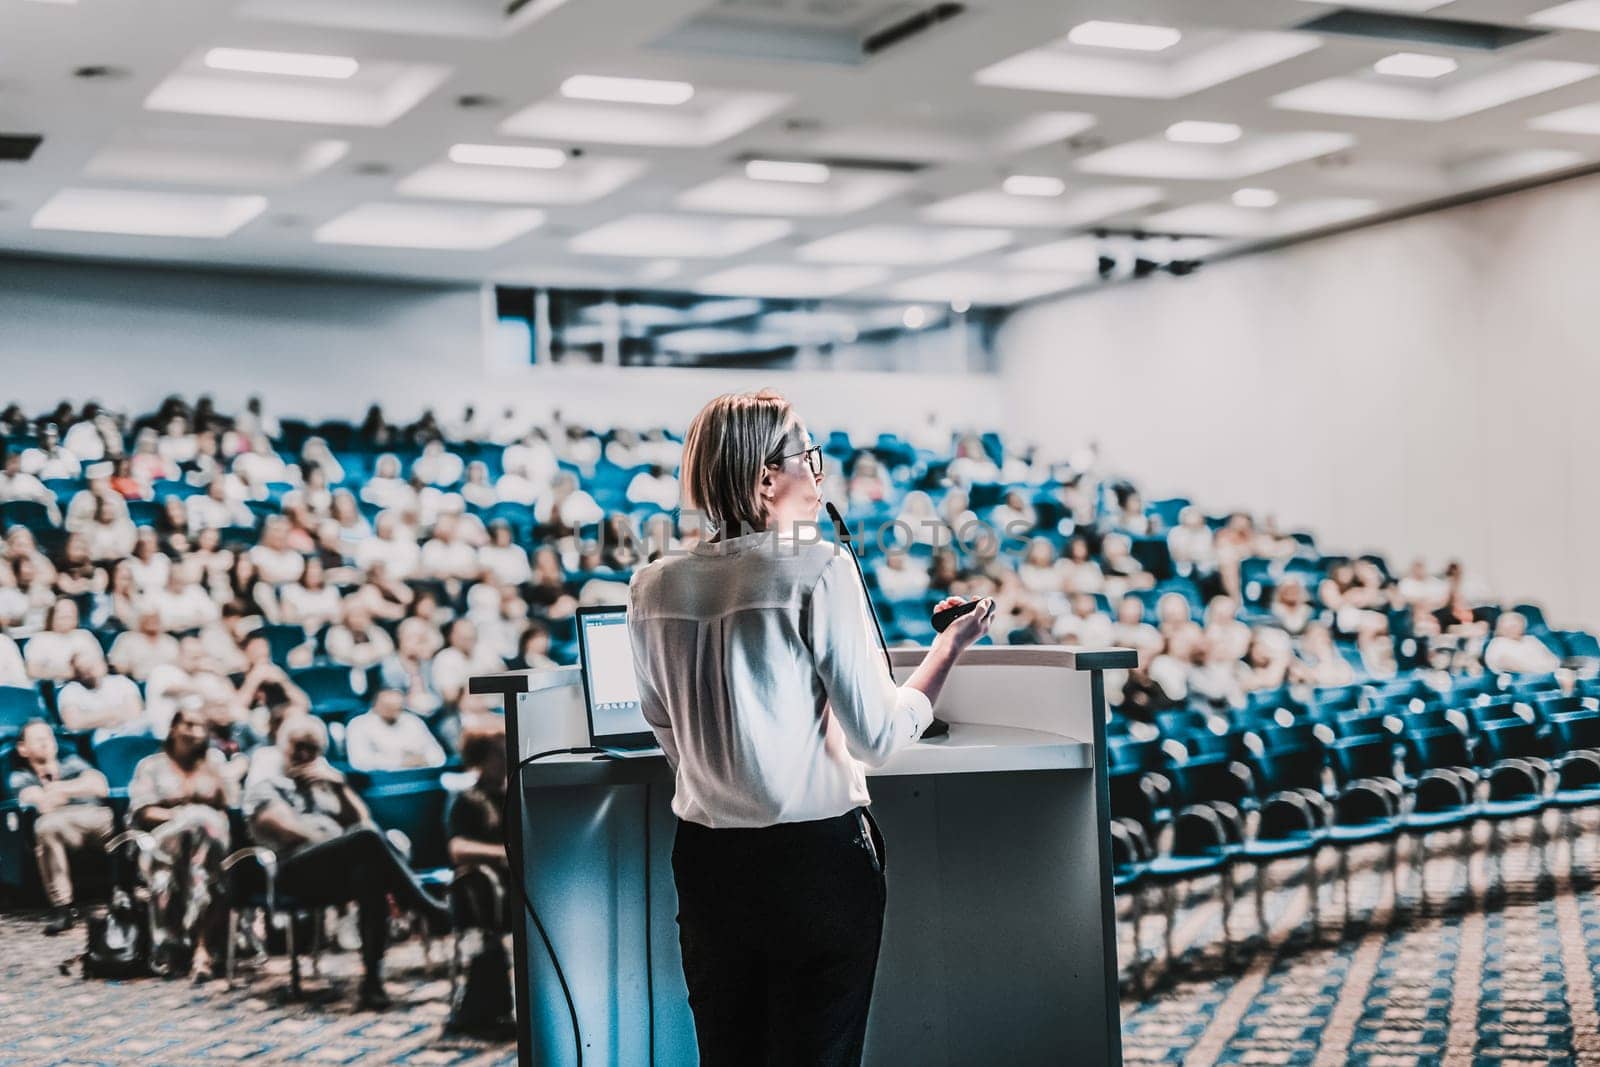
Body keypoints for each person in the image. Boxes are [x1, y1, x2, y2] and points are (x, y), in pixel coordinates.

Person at [627, 390, 993, 1067]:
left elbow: (666, 729)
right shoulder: (820, 566)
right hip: (814, 865)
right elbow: (879, 738)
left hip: (707, 863)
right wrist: (949, 649)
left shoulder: (652, 585)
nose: (820, 473)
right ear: (767, 476)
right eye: (808, 455)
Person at [243, 715, 450, 1011]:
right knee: (364, 842)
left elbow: (365, 823)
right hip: (293, 872)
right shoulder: (267, 785)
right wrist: (342, 843)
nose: (304, 755)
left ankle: (372, 982)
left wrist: (339, 787)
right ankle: (426, 908)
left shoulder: (326, 784)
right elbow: (289, 830)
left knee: (370, 874)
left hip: (336, 873)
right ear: (282, 746)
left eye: (312, 748)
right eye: (298, 747)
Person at [127, 705, 234, 978]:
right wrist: (181, 816)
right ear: (174, 728)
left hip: (211, 842)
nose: (195, 732)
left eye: (201, 726)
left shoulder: (215, 763)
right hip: (166, 838)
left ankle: (199, 947)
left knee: (203, 837)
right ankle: (201, 949)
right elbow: (144, 812)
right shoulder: (151, 766)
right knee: (196, 827)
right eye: (188, 724)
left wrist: (217, 777)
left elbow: (229, 805)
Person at [8, 720, 113, 934]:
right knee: (45, 826)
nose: (46, 742)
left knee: (123, 821)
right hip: (61, 825)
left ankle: (129, 895)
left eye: (48, 737)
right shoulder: (21, 776)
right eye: (38, 739)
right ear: (23, 748)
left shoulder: (73, 762)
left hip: (95, 817)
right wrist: (77, 789)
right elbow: (42, 803)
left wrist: (58, 788)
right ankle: (63, 907)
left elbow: (100, 786)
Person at [55, 649, 149, 742]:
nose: (87, 671)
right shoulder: (69, 691)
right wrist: (114, 713)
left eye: (91, 665)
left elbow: (135, 713)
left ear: (103, 663)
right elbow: (73, 722)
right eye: (81, 668)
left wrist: (92, 718)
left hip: (134, 731)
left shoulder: (122, 681)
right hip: (103, 739)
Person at [345, 688, 446, 772]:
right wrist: (400, 762)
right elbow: (359, 762)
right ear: (375, 704)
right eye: (388, 706)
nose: (393, 710)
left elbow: (438, 755)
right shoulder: (358, 724)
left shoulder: (413, 721)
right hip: (382, 783)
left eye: (397, 707)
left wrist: (424, 759)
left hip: (417, 778)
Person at [1484, 612, 1561, 675]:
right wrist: (1542, 669)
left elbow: (1554, 660)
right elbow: (1509, 665)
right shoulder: (1497, 643)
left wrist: (1548, 669)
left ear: (1523, 627)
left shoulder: (1531, 640)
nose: (1509, 630)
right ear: (1500, 628)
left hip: (1546, 677)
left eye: (1514, 626)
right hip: (1519, 683)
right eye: (1506, 627)